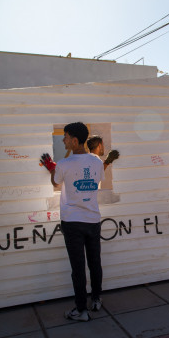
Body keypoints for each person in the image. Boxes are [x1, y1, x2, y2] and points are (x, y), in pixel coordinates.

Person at [42, 122, 104, 322]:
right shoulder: (96, 162)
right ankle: (96, 300)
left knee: (78, 267)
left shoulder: (64, 164)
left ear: (75, 140)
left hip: (72, 222)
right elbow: (98, 182)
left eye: (66, 137)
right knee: (95, 262)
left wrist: (51, 167)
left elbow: (55, 182)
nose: (63, 140)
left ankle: (81, 310)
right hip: (93, 220)